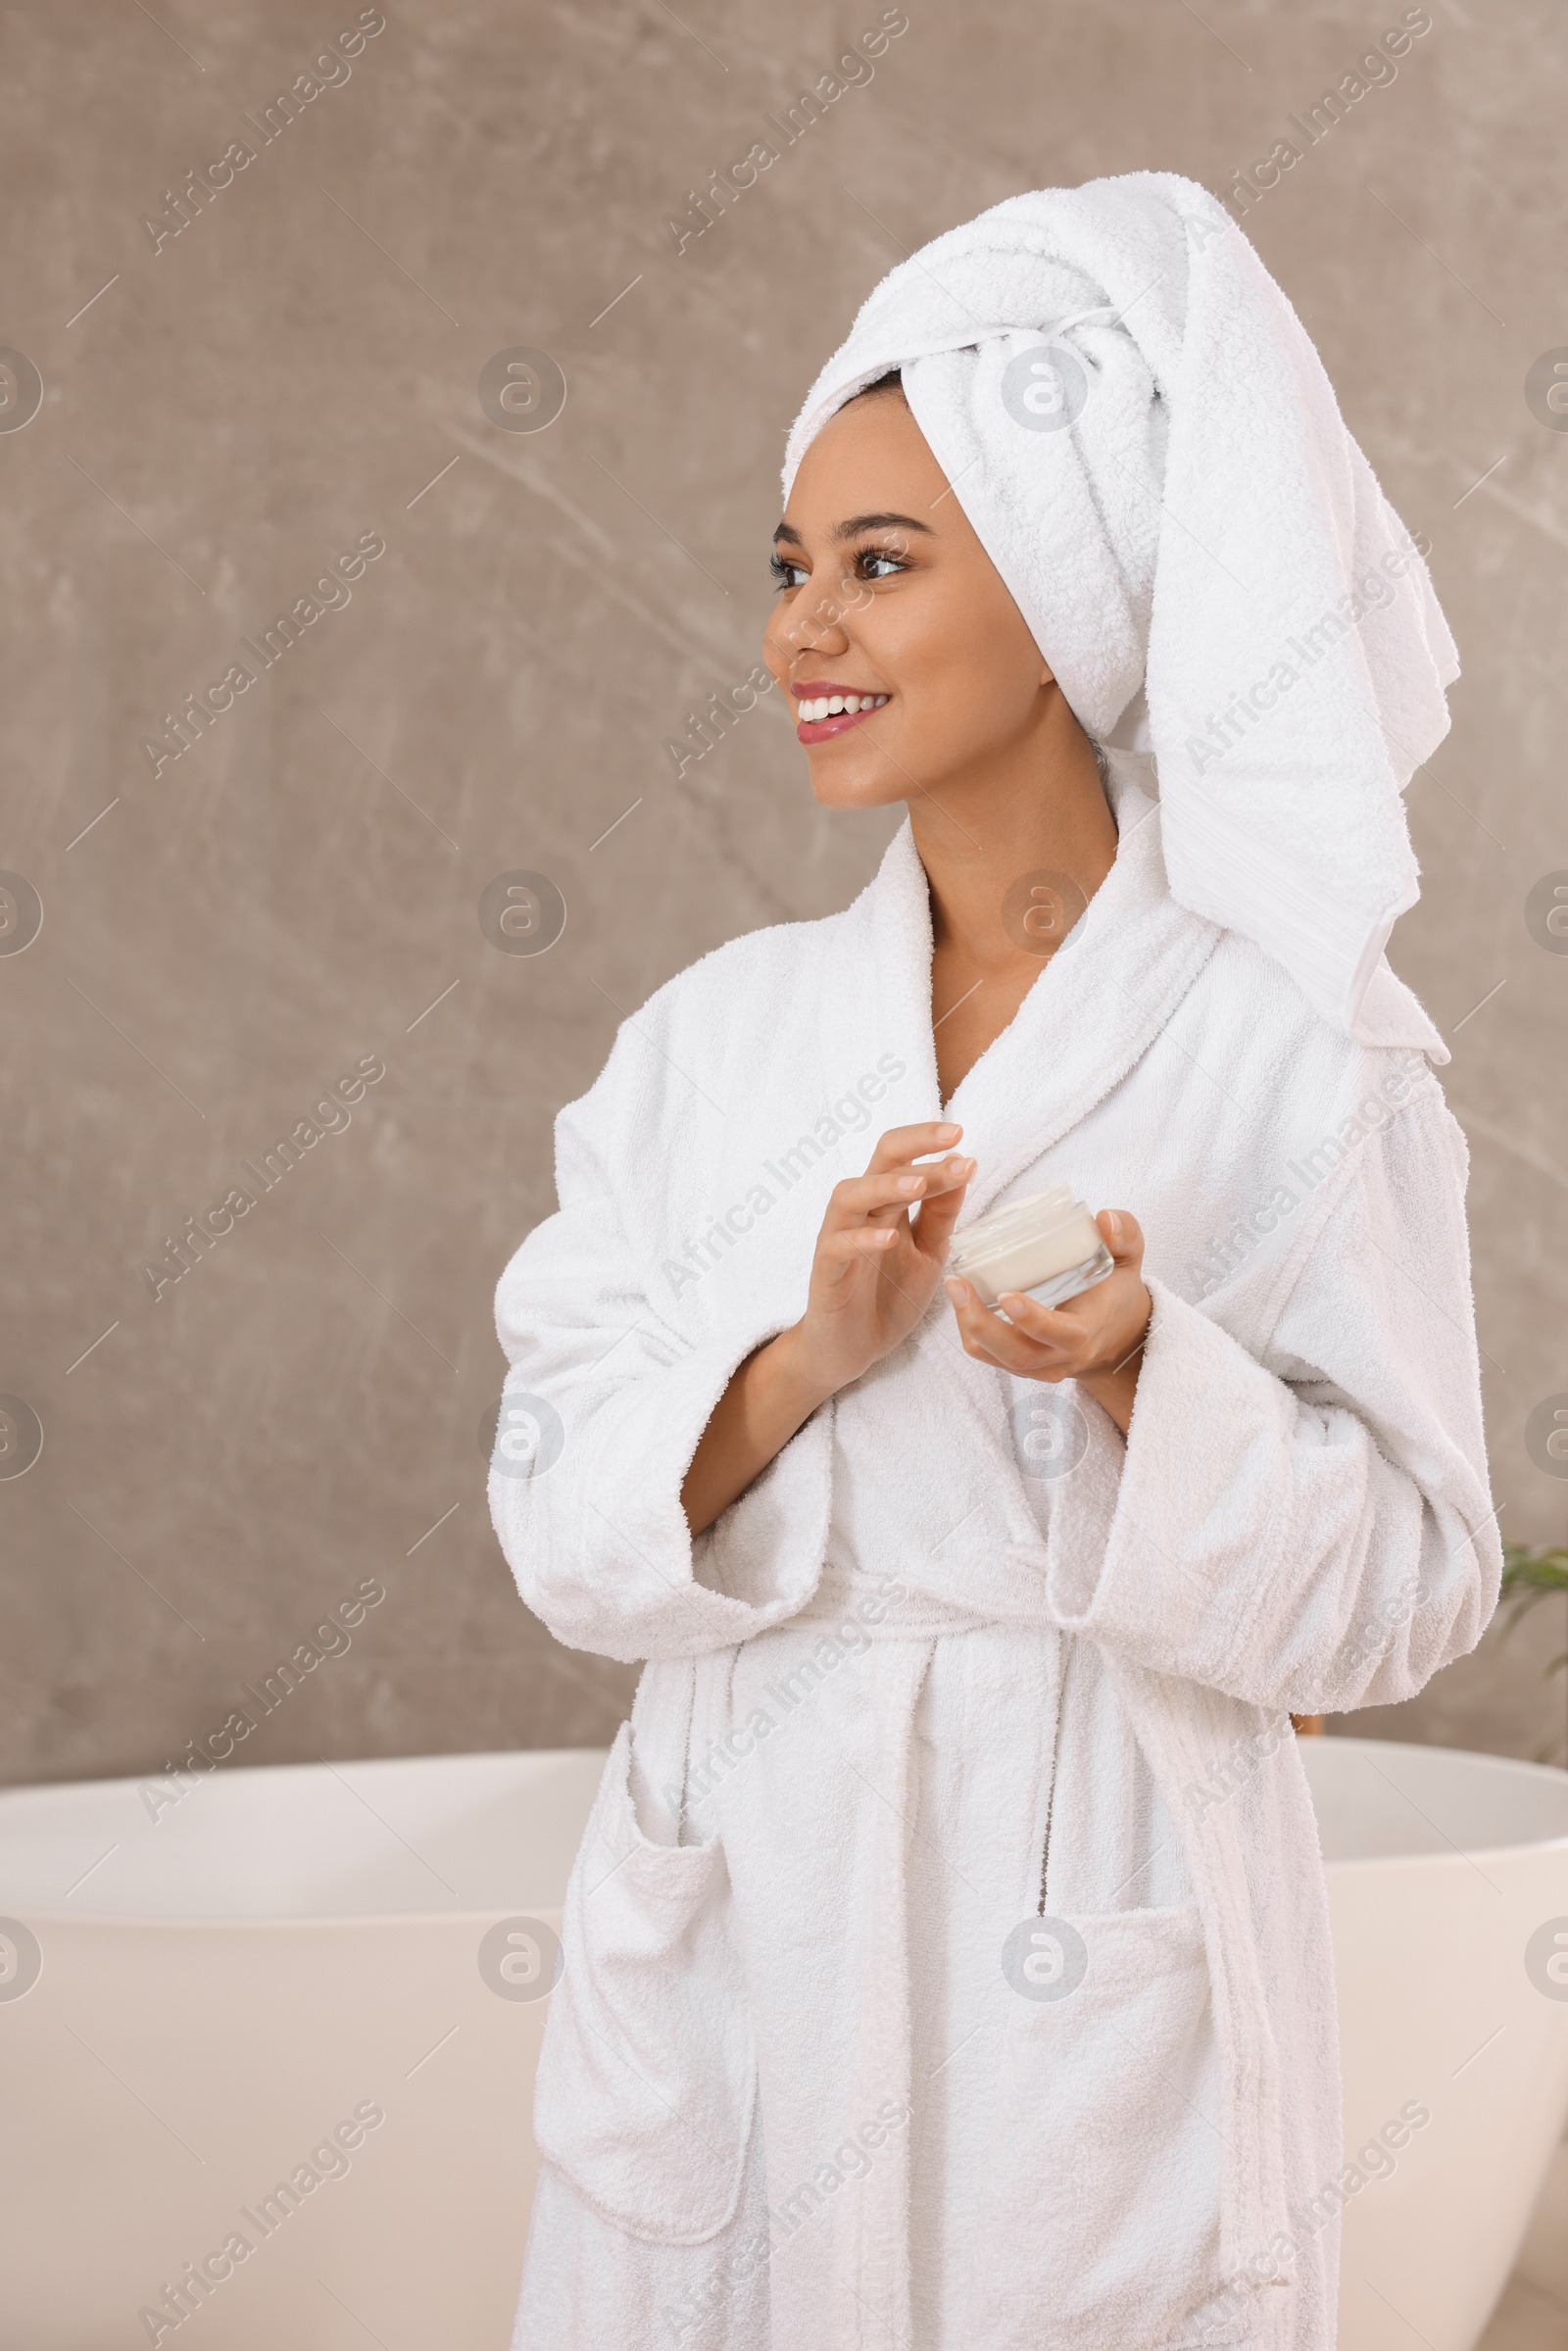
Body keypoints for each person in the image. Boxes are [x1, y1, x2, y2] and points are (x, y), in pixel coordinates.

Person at [489, 171, 1498, 2351]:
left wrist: (1150, 1371)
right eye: (787, 569)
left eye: (876, 567)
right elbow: (558, 1531)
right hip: (741, 1913)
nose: (796, 632)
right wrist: (793, 1363)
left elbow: (1414, 1582)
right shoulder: (705, 1047)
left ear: (1059, 594)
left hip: (1089, 1913)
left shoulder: (1296, 1058)